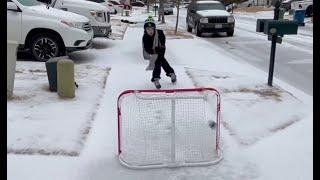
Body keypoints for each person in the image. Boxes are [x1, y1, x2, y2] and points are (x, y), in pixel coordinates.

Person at [142, 16, 176, 89]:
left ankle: (156, 78)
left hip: (161, 50)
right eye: (148, 29)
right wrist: (154, 51)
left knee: (159, 61)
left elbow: (163, 44)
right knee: (160, 61)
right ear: (145, 30)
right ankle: (171, 73)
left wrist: (160, 49)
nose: (150, 31)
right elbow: (147, 49)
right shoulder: (145, 37)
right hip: (153, 52)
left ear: (154, 28)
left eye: (152, 29)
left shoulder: (160, 33)